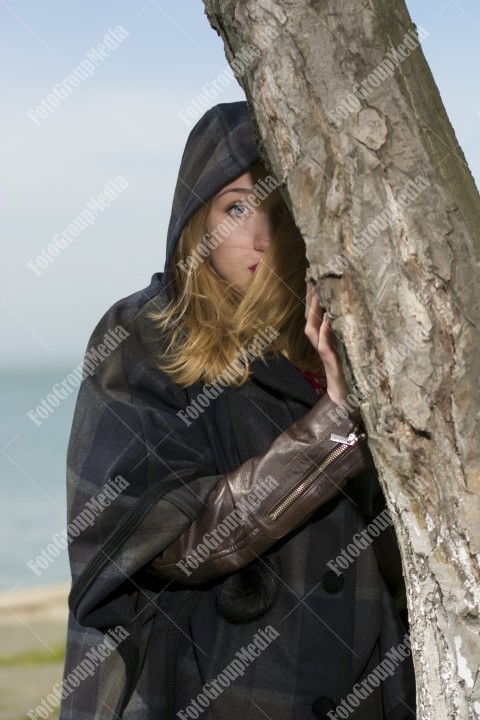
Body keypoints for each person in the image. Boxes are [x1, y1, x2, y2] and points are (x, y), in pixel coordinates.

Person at [59, 101, 416, 720]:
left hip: (370, 684)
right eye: (236, 206)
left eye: (279, 205)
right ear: (197, 221)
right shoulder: (144, 337)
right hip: (212, 686)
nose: (260, 234)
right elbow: (164, 541)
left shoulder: (351, 335)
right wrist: (331, 427)